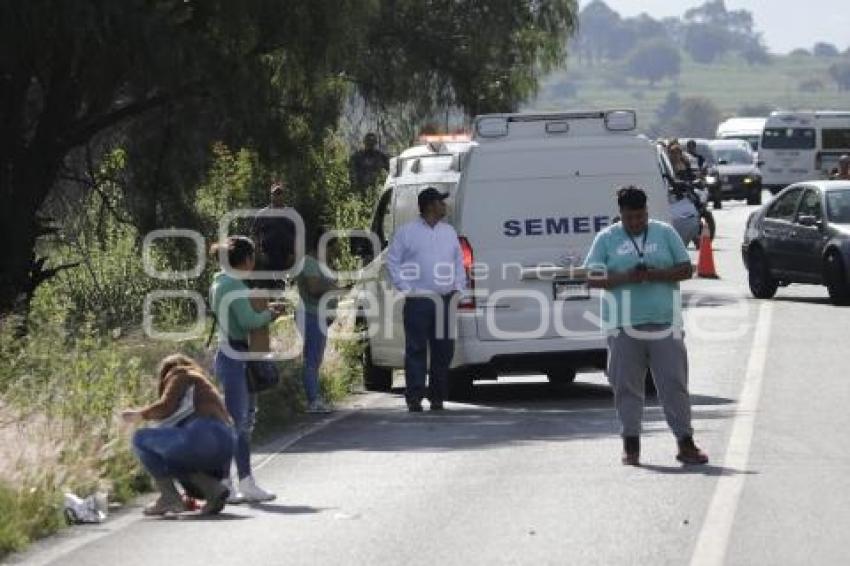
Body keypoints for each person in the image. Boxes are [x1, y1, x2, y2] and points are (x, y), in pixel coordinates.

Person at [583, 186, 709, 467]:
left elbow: (686, 268)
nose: (635, 222)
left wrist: (656, 274)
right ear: (621, 215)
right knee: (626, 386)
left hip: (664, 320)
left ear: (647, 212)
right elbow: (591, 277)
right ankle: (631, 443)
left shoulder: (664, 233)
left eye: (640, 217)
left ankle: (685, 442)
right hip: (623, 323)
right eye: (629, 218)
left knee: (673, 384)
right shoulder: (606, 239)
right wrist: (625, 277)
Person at [210, 236, 287, 502]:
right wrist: (271, 314)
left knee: (240, 421)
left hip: (228, 353)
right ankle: (239, 482)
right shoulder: (234, 284)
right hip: (237, 355)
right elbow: (247, 321)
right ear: (245, 259)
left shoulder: (219, 282)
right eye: (252, 257)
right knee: (239, 423)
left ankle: (233, 481)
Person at [121, 354, 235, 516]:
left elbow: (166, 406)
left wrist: (140, 414)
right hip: (225, 444)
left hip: (202, 433)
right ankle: (213, 491)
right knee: (172, 457)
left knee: (140, 439)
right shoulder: (204, 388)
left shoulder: (180, 374)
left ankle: (168, 497)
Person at [386, 187, 466, 412]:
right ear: (430, 205)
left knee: (444, 351)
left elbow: (458, 263)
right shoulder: (406, 232)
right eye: (441, 202)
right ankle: (414, 397)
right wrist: (406, 289)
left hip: (445, 299)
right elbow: (393, 262)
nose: (445, 206)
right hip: (418, 300)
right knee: (416, 349)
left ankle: (438, 397)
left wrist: (459, 289)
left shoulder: (449, 232)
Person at [294, 228, 347, 414]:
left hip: (319, 316)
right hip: (311, 315)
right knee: (312, 358)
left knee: (315, 358)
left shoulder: (320, 264)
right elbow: (314, 288)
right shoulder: (309, 263)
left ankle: (315, 397)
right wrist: (335, 288)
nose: (333, 253)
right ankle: (313, 400)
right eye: (331, 248)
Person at [251, 182, 297, 288]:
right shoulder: (262, 214)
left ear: (284, 195)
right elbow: (255, 234)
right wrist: (259, 254)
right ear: (271, 195)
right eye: (275, 193)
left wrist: (294, 254)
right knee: (268, 286)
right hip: (268, 256)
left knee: (285, 286)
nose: (278, 196)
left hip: (287, 256)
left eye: (280, 193)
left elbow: (297, 235)